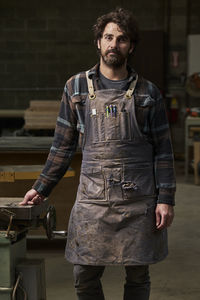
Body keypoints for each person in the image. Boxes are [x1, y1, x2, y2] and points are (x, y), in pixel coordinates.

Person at [20, 7, 176, 300]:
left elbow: (163, 152)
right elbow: (62, 146)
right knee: (84, 276)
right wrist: (40, 188)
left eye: (121, 39)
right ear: (98, 42)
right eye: (108, 37)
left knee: (138, 276)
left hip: (138, 200)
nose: (113, 44)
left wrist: (165, 199)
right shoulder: (76, 87)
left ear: (131, 46)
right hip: (92, 201)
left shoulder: (149, 93)